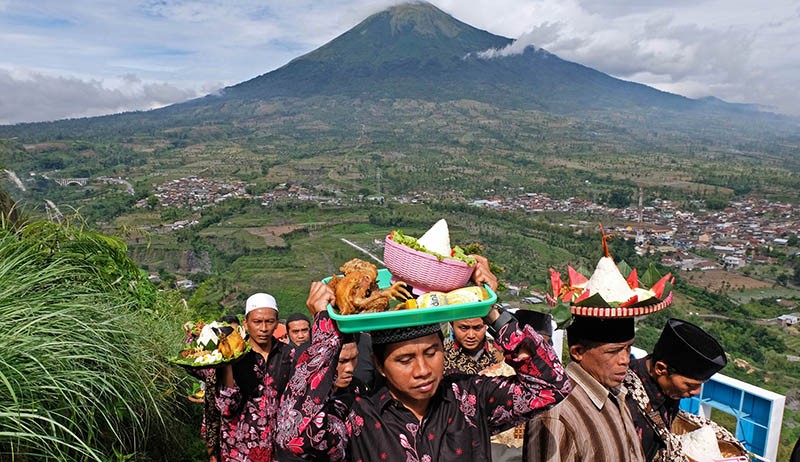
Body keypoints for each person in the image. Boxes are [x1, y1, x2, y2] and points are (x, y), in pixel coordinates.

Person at [276, 255, 571, 461]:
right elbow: (294, 437)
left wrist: (489, 309)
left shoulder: (468, 399)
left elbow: (550, 387)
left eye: (432, 353)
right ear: (380, 365)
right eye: (404, 360)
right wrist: (326, 334)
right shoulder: (357, 415)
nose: (423, 370)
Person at [524, 315, 645, 462]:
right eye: (613, 351)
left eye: (628, 348)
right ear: (578, 352)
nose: (625, 359)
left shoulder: (617, 394)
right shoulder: (557, 410)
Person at [624, 318, 744, 461]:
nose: (697, 392)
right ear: (660, 369)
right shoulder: (625, 399)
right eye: (690, 385)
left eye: (700, 384)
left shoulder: (667, 389)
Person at [215, 292, 294, 462]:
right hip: (239, 450)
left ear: (277, 323)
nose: (263, 328)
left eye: (269, 321)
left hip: (279, 450)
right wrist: (228, 364)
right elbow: (226, 408)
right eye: (257, 322)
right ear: (246, 323)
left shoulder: (289, 355)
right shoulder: (233, 357)